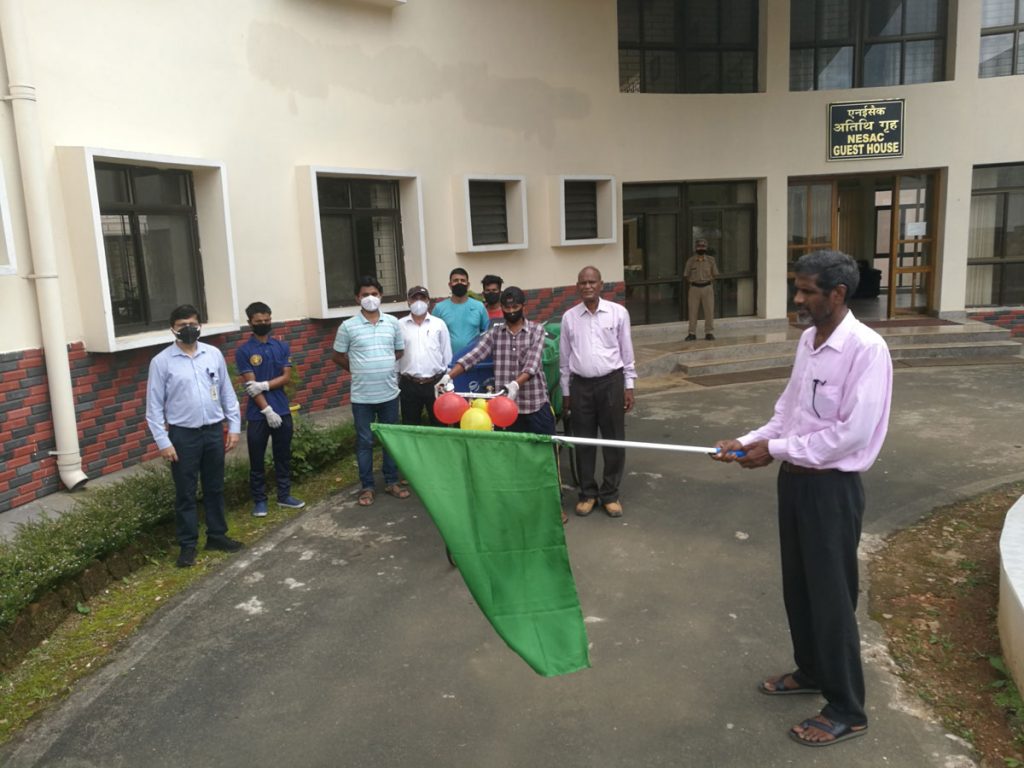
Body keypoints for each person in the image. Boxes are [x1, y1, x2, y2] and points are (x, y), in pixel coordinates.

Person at [712, 250, 893, 748]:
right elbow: (788, 414)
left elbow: (851, 435)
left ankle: (847, 708)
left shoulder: (866, 349)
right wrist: (750, 441)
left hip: (831, 490)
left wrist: (775, 448)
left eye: (808, 290)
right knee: (800, 586)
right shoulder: (811, 343)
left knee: (832, 597)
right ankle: (812, 670)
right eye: (798, 288)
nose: (798, 298)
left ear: (838, 293)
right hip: (794, 481)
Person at [145, 305, 243, 568]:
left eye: (192, 323)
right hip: (182, 436)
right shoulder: (162, 362)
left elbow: (227, 393)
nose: (187, 328)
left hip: (212, 431)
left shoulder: (213, 354)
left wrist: (233, 428)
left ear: (200, 325)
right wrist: (163, 442)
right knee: (186, 493)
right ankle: (187, 546)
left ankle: (217, 535)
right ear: (172, 329)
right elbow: (153, 407)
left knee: (214, 487)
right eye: (181, 324)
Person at [559, 266, 637, 518]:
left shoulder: (618, 313)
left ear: (601, 284)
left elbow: (627, 353)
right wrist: (566, 391)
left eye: (592, 282)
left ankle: (610, 494)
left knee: (613, 439)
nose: (588, 286)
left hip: (611, 383)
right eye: (583, 282)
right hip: (580, 386)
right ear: (577, 286)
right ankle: (588, 493)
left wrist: (629, 386)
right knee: (584, 441)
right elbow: (564, 358)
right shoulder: (569, 317)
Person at [331, 276, 411, 507]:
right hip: (362, 397)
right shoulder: (347, 327)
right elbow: (337, 356)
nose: (370, 298)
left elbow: (398, 351)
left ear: (381, 296)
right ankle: (367, 487)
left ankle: (391, 481)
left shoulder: (393, 323)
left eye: (374, 294)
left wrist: (380, 365)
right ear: (357, 298)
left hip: (389, 393)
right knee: (365, 442)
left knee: (389, 441)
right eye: (365, 294)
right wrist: (357, 369)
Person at [440, 286, 554, 437]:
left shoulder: (536, 330)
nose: (511, 311)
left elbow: (532, 365)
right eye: (507, 307)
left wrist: (515, 384)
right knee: (511, 454)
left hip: (534, 405)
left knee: (544, 451)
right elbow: (473, 356)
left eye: (515, 306)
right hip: (505, 409)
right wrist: (449, 376)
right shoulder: (494, 334)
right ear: (502, 308)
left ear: (523, 307)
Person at [235, 301, 305, 518]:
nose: (264, 324)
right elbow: (250, 386)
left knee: (282, 455)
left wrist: (264, 385)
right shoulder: (244, 351)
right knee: (257, 459)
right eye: (258, 322)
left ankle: (284, 496)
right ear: (250, 323)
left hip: (282, 409)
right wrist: (266, 411)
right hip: (258, 415)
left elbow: (285, 377)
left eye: (267, 320)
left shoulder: (281, 346)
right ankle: (260, 501)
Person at [397, 285, 451, 426]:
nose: (418, 301)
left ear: (428, 301)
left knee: (440, 425)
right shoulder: (399, 325)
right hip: (409, 384)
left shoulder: (439, 324)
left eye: (422, 298)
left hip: (436, 383)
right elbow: (395, 356)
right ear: (408, 301)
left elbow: (447, 355)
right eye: (415, 298)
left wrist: (448, 381)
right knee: (410, 426)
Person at [433, 267, 489, 357]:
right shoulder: (439, 308)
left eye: (463, 280)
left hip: (473, 360)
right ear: (450, 285)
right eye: (455, 280)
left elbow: (486, 333)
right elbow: (433, 335)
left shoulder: (479, 307)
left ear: (468, 284)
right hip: (448, 360)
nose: (459, 283)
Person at [683, 238, 720, 341]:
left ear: (706, 248)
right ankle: (692, 333)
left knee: (709, 311)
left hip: (707, 288)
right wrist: (692, 281)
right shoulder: (691, 261)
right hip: (694, 288)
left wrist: (708, 280)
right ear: (695, 248)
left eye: (703, 246)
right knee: (692, 312)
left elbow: (715, 274)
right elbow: (686, 275)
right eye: (699, 246)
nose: (701, 248)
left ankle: (709, 332)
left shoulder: (711, 260)